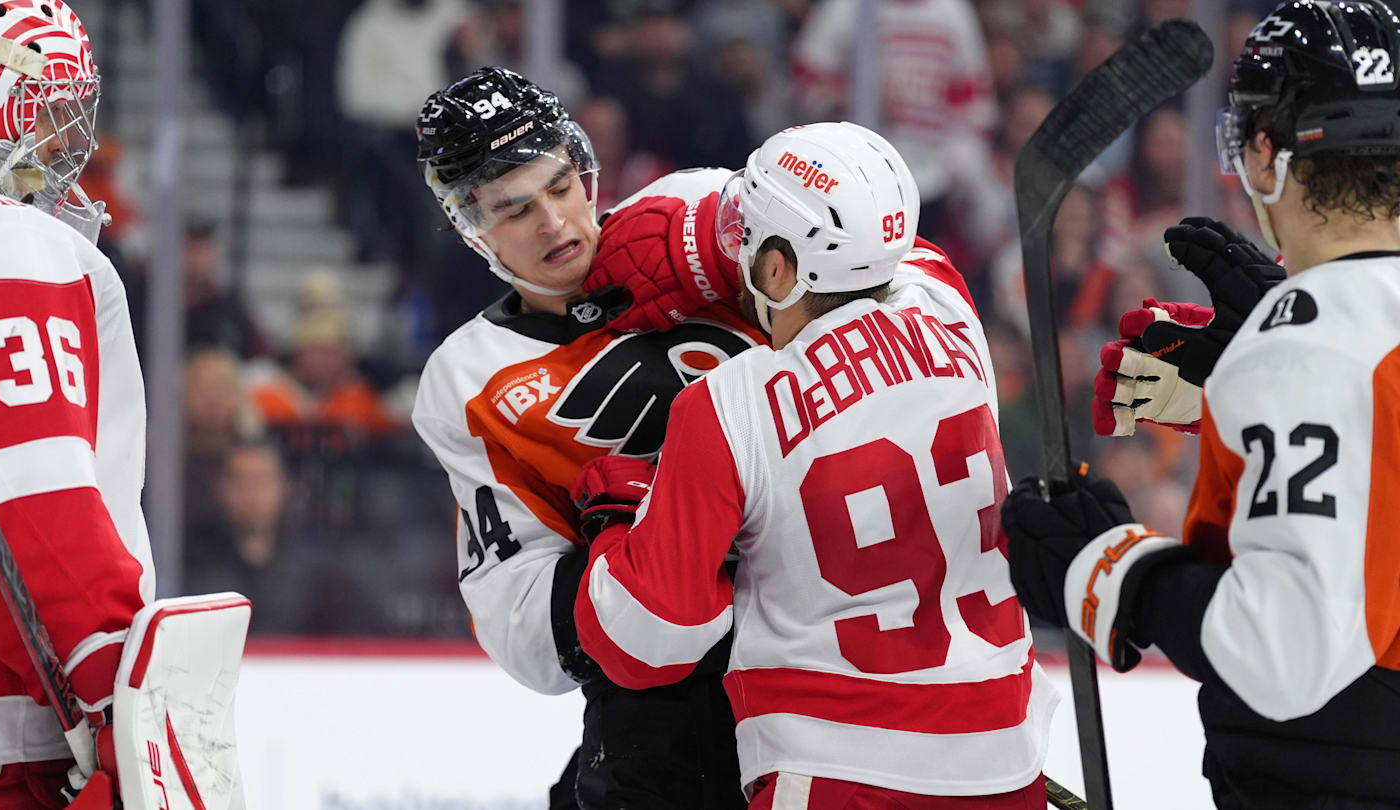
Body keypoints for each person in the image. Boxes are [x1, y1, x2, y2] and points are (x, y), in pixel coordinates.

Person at [571, 122, 1057, 808]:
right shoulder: (949, 304)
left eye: (749, 238)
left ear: (778, 269)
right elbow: (898, 251)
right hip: (1005, 757)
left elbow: (647, 642)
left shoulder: (725, 405)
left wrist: (615, 524)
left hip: (837, 770)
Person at [1002, 2, 1400, 807]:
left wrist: (1107, 568)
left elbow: (1283, 654)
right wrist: (1242, 389)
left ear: (1262, 154)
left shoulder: (1308, 346)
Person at [410, 66, 762, 809]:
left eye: (561, 186)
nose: (554, 223)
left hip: (836, 640)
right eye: (513, 209)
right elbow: (525, 633)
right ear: (472, 230)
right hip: (673, 698)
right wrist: (629, 557)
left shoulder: (698, 219)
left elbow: (871, 282)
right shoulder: (469, 382)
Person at [0, 2, 148, 806]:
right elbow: (31, 503)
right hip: (3, 746)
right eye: (50, 113)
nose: (72, 146)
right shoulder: (0, 239)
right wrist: (116, 691)